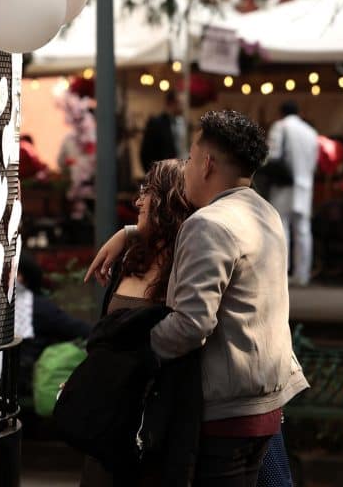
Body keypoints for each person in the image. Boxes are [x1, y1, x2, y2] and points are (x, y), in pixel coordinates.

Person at [87, 110, 309, 487]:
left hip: (224, 413)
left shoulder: (208, 224)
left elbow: (191, 325)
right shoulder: (264, 212)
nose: (186, 167)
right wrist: (131, 232)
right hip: (266, 405)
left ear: (206, 164)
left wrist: (134, 359)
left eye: (190, 158)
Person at [79, 159, 198, 486]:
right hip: (109, 415)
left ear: (167, 199)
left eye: (147, 191)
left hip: (151, 425)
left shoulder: (187, 263)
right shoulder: (130, 257)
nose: (138, 201)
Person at [267, 101, 319, 287]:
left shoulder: (280, 127)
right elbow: (314, 161)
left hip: (284, 185)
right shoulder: (311, 132)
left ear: (281, 112)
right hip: (304, 186)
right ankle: (302, 274)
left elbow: (272, 155)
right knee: (303, 230)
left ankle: (281, 273)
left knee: (281, 228)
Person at [139, 91, 185, 173]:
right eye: (181, 103)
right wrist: (152, 176)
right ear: (172, 103)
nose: (183, 107)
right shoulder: (156, 123)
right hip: (160, 176)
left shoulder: (180, 124)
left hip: (174, 175)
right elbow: (145, 153)